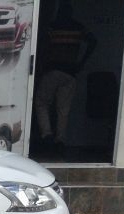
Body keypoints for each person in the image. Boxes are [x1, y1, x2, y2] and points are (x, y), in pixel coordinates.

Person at [34, 0, 97, 150]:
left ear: (58, 12)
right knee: (63, 110)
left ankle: (47, 134)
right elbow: (93, 41)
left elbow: (42, 47)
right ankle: (60, 140)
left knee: (41, 102)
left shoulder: (52, 27)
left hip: (53, 71)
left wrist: (41, 67)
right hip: (70, 73)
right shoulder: (78, 27)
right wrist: (82, 62)